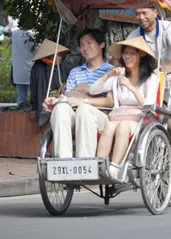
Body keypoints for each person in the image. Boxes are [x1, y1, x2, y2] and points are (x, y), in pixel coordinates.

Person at [125, 7, 171, 181]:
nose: (140, 17)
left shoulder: (168, 28)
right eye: (137, 13)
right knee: (141, 120)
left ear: (155, 12)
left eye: (144, 13)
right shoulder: (135, 35)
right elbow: (126, 53)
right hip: (148, 84)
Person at [90, 37, 159, 182]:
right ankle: (99, 166)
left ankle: (115, 167)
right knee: (108, 126)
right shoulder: (118, 77)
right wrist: (109, 75)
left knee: (123, 126)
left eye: (132, 53)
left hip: (140, 119)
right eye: (125, 53)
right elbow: (93, 90)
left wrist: (131, 88)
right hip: (118, 117)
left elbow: (149, 105)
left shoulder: (151, 78)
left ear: (142, 56)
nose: (127, 57)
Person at [42, 29, 114, 158]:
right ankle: (63, 162)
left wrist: (84, 101)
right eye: (82, 45)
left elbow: (111, 102)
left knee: (84, 110)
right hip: (75, 117)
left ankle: (84, 163)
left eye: (89, 43)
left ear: (102, 44)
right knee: (61, 108)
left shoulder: (112, 71)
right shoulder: (76, 72)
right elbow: (69, 98)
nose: (85, 48)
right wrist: (55, 101)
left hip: (101, 118)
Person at [30, 39, 70, 115]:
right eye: (56, 55)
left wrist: (65, 84)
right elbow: (34, 88)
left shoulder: (62, 66)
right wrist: (34, 108)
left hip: (60, 104)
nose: (59, 58)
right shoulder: (38, 67)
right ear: (48, 56)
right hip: (43, 102)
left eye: (60, 55)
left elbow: (69, 80)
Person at [11, 28, 36, 108]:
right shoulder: (34, 34)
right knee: (34, 97)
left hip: (18, 69)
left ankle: (20, 114)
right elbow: (37, 50)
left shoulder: (14, 34)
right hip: (31, 69)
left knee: (21, 98)